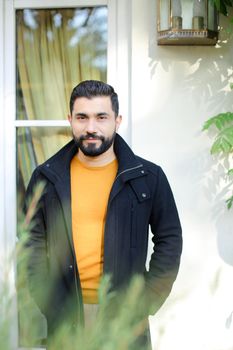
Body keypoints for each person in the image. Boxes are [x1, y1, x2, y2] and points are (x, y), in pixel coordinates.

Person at [25, 80, 182, 348]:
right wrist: (47, 300)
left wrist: (145, 300)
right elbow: (31, 243)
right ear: (70, 120)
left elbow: (169, 238)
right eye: (82, 117)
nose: (91, 128)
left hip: (125, 316)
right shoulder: (46, 177)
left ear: (117, 121)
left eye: (101, 117)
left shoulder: (148, 177)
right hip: (66, 314)